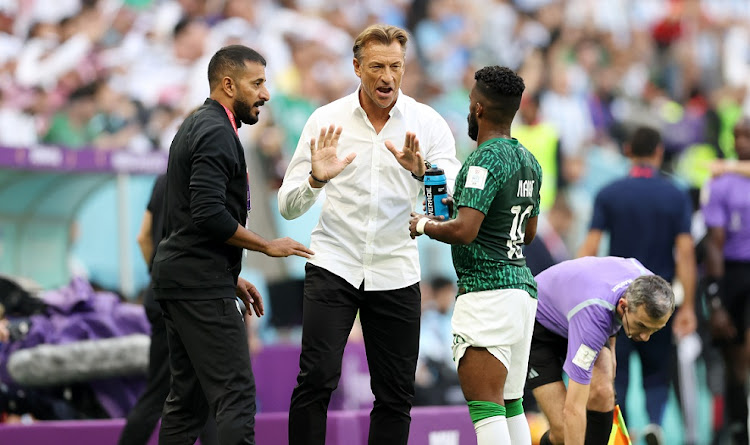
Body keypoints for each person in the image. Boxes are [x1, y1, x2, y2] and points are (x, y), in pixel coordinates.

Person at [277, 24, 460, 445]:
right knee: (316, 380)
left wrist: (423, 173)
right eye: (377, 66)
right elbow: (288, 206)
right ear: (357, 67)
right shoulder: (326, 120)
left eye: (396, 67)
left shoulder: (427, 123)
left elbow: (443, 208)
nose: (388, 77)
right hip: (333, 262)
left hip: (396, 268)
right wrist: (316, 181)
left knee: (396, 393)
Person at [151, 45, 313, 445]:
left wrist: (231, 276)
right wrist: (266, 246)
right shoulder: (215, 131)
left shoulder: (197, 125)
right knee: (236, 396)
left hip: (188, 277)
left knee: (187, 403)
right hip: (198, 283)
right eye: (256, 83)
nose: (265, 93)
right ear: (228, 84)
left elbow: (185, 219)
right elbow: (207, 214)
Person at [408, 65, 542, 445]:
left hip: (487, 294)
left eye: (470, 103)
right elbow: (527, 233)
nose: (469, 109)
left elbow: (465, 231)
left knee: (486, 408)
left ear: (479, 109)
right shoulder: (528, 159)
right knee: (510, 404)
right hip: (520, 293)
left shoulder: (483, 159)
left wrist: (422, 225)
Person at [577, 125, 697, 444]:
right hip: (661, 302)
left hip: (620, 302)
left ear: (627, 150)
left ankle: (624, 429)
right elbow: (685, 253)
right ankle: (655, 422)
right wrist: (688, 307)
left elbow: (589, 248)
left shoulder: (609, 193)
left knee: (619, 370)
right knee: (657, 370)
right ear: (659, 152)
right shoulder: (676, 195)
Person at [526, 256, 675, 445]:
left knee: (604, 391)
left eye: (654, 330)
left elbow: (614, 310)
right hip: (538, 325)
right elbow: (574, 408)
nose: (645, 337)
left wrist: (611, 350)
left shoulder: (650, 286)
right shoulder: (594, 321)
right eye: (641, 326)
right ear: (623, 306)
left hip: (577, 310)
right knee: (564, 432)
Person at [118, 174, 217, 445]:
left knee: (163, 390)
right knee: (208, 391)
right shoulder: (206, 178)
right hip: (190, 297)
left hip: (160, 295)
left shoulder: (164, 180)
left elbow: (142, 236)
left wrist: (156, 273)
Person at [701, 117, 750, 445]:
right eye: (736, 136)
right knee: (736, 359)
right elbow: (714, 244)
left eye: (747, 135)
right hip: (734, 275)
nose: (741, 141)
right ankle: (737, 428)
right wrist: (715, 300)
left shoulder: (727, 172)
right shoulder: (719, 185)